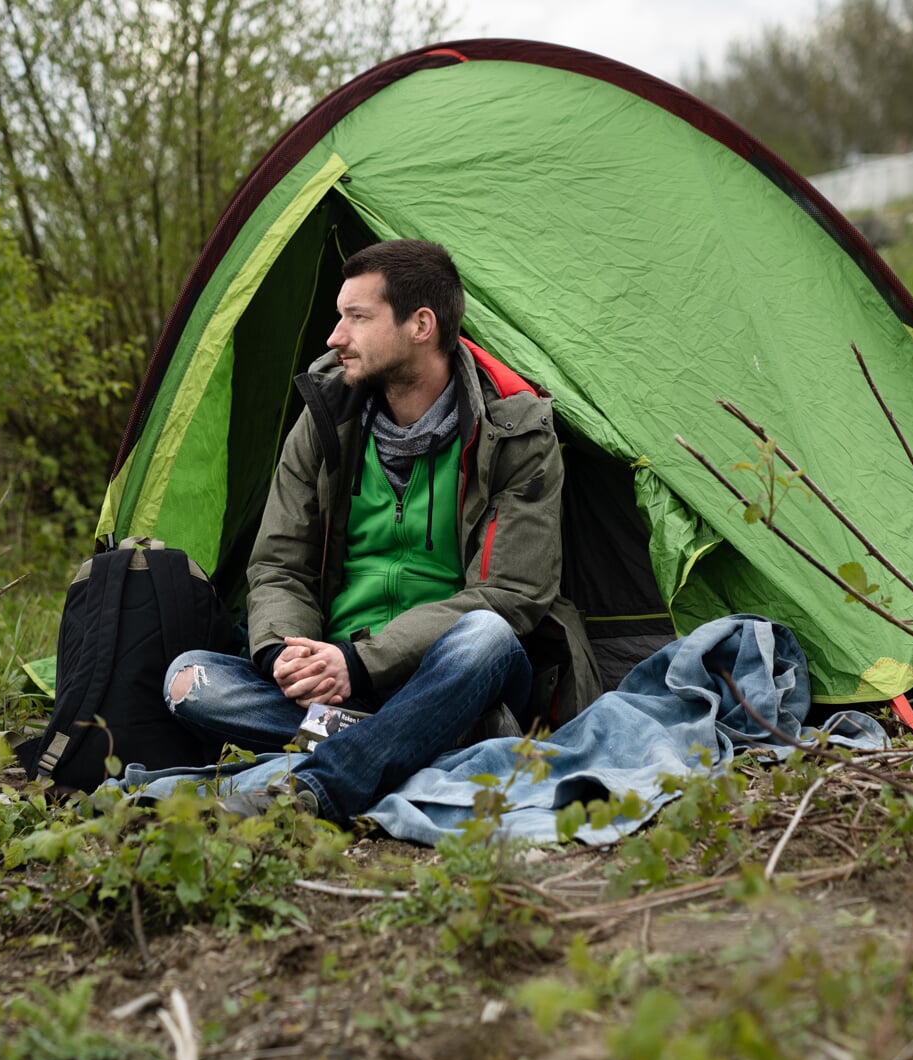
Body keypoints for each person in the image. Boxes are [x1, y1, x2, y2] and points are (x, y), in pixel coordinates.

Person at [162, 239, 593, 823]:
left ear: (421, 325)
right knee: (190, 680)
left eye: (356, 318)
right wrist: (287, 655)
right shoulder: (323, 418)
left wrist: (362, 661)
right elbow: (278, 564)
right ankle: (413, 740)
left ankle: (322, 784)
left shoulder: (513, 428)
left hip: (446, 668)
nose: (334, 337)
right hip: (339, 683)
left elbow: (511, 593)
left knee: (487, 636)